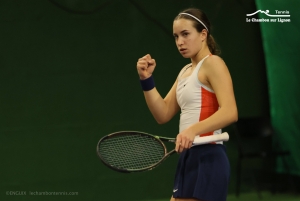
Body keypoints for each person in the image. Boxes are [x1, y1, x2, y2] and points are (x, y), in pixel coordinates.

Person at [136, 7, 238, 201]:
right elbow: (163, 113)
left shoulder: (213, 63)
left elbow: (230, 111)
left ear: (203, 34)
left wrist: (193, 130)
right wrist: (146, 80)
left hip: (209, 156)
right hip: (189, 156)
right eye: (176, 36)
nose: (180, 42)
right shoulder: (184, 71)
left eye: (185, 34)